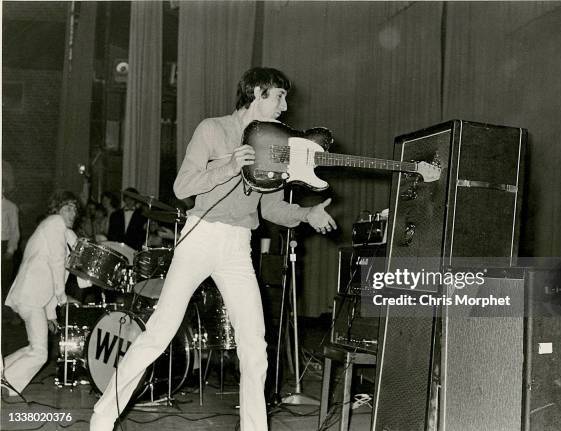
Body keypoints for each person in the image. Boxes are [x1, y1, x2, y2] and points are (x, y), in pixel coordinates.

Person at [90, 67, 337, 431]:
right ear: (257, 92)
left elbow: (269, 209)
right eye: (279, 97)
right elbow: (182, 186)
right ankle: (103, 416)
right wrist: (229, 165)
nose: (285, 108)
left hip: (238, 246)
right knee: (158, 333)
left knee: (254, 345)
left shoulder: (276, 145)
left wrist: (306, 213)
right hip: (201, 235)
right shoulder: (213, 129)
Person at [3, 191, 81, 396]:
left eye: (74, 208)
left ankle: (3, 373)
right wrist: (63, 300)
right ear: (57, 210)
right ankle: (8, 382)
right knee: (39, 352)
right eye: (67, 208)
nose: (73, 212)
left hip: (32, 296)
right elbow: (56, 264)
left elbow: (53, 271)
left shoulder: (61, 231)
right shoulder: (54, 223)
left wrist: (51, 315)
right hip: (30, 296)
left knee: (35, 348)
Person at [1, 190, 20, 301]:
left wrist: (10, 250)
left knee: (3, 281)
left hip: (3, 245)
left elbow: (14, 231)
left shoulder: (10, 206)